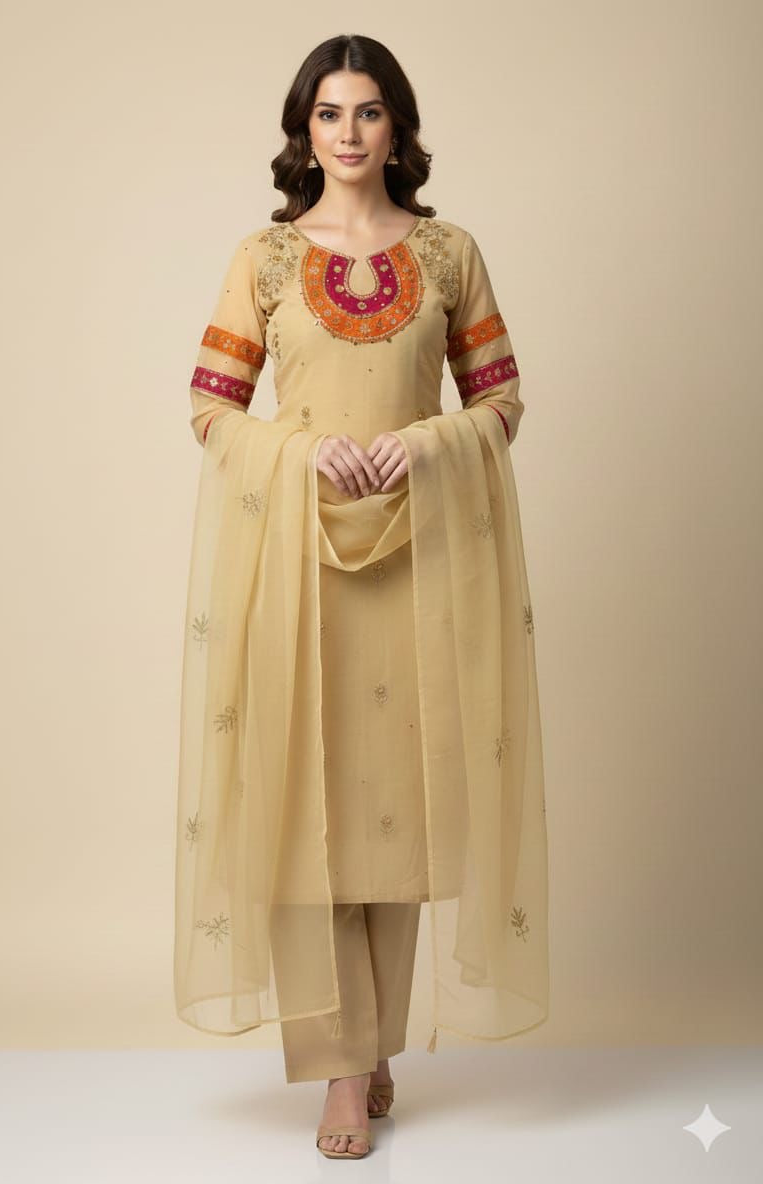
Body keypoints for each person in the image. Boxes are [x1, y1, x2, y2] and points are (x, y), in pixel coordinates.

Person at [173, 33, 549, 1161]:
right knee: (308, 819)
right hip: (298, 568)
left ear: (398, 128)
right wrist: (301, 453)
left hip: (419, 562)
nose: (348, 133)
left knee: (399, 818)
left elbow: (501, 401)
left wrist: (425, 446)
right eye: (329, 113)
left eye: (368, 111)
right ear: (305, 132)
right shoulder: (265, 259)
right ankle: (342, 1069)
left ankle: (375, 1037)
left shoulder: (448, 253)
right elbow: (210, 404)